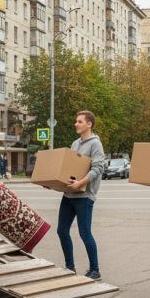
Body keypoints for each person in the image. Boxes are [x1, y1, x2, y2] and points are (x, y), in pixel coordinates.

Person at [56, 111, 106, 280]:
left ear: (89, 124)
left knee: (85, 233)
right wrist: (54, 183)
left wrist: (81, 183)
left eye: (79, 121)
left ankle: (95, 270)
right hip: (69, 194)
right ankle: (70, 267)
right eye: (76, 121)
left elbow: (98, 168)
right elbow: (70, 168)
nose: (76, 124)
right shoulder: (75, 143)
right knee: (62, 231)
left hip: (84, 196)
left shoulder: (95, 144)